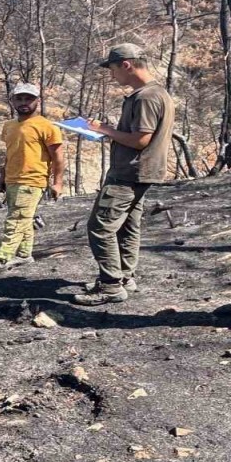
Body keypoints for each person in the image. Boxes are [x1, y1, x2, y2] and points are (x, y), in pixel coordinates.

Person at [74, 43, 175, 305]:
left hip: (130, 172)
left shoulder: (146, 96)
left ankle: (110, 286)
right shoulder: (154, 93)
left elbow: (141, 140)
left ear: (126, 65)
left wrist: (106, 130)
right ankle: (125, 276)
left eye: (113, 69)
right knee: (128, 225)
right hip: (140, 171)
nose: (112, 75)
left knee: (100, 227)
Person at [0, 83, 65, 273]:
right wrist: (3, 175)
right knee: (23, 218)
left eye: (29, 98)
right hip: (12, 179)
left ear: (37, 101)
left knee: (16, 219)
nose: (24, 102)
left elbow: (58, 157)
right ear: (12, 100)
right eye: (19, 98)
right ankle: (24, 254)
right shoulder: (9, 126)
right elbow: (11, 153)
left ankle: (1, 257)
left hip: (33, 180)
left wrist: (57, 183)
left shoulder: (46, 126)